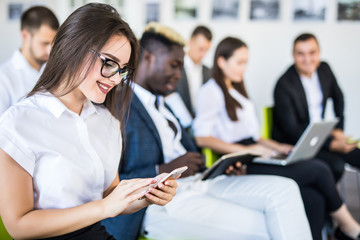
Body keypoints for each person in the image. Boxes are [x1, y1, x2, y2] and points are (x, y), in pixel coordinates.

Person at [102, 22, 313, 240]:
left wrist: (223, 166)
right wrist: (163, 168)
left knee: (286, 190)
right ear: (148, 58)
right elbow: (108, 184)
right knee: (268, 226)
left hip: (200, 182)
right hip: (159, 203)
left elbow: (193, 144)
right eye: (174, 66)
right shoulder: (117, 104)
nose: (178, 75)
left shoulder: (167, 103)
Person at [0, 4, 178, 239]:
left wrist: (146, 196)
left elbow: (111, 199)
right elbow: (18, 226)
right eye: (109, 63)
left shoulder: (106, 122)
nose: (116, 79)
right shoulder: (19, 122)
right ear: (72, 48)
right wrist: (104, 207)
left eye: (123, 69)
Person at [192, 36, 360, 240]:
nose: (244, 68)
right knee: (319, 168)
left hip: (255, 152)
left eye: (246, 62)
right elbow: (202, 138)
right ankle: (349, 227)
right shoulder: (210, 91)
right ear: (221, 61)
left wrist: (278, 146)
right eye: (240, 62)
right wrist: (247, 150)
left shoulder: (236, 90)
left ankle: (335, 231)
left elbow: (255, 136)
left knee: (313, 197)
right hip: (239, 160)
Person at [272, 33, 360, 182]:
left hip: (322, 134)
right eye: (301, 54)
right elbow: (292, 130)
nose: (307, 60)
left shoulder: (324, 69)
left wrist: (338, 130)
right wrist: (332, 144)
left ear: (319, 52)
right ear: (293, 55)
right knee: (336, 165)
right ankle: (331, 204)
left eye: (312, 53)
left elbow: (339, 97)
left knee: (356, 154)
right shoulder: (283, 85)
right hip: (298, 142)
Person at [0, 6, 59, 114]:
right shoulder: (3, 78)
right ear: (25, 36)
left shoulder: (55, 72)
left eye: (53, 44)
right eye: (44, 43)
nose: (50, 51)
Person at [173, 25, 212, 117]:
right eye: (201, 49)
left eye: (207, 50)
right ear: (189, 42)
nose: (203, 54)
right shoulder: (175, 68)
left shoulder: (209, 72)